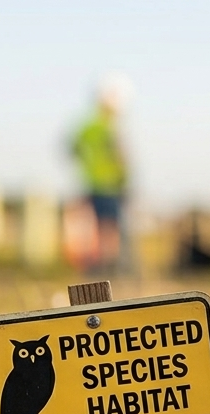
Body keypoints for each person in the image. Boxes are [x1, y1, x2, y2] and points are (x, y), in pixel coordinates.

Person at [71, 77, 131, 273]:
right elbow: (120, 156)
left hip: (92, 183)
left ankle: (97, 265)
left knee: (96, 226)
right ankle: (108, 266)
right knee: (109, 227)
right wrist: (125, 181)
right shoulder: (108, 126)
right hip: (110, 185)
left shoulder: (88, 127)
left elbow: (73, 148)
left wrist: (87, 167)